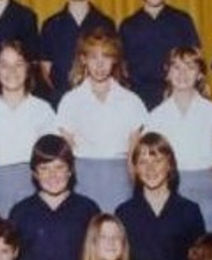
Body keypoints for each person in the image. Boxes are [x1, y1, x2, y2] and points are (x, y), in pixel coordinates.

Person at [55, 29, 147, 213]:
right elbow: (67, 151)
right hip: (83, 180)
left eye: (106, 57)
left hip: (120, 181)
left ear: (115, 60)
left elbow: (133, 153)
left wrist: (134, 187)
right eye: (93, 57)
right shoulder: (70, 100)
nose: (99, 64)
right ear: (83, 59)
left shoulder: (131, 101)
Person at [115, 132, 205, 260]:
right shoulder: (124, 212)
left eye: (157, 161)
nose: (150, 169)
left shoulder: (189, 211)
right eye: (143, 162)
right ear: (135, 170)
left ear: (170, 165)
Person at [0, 40, 56, 216]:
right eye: (4, 65)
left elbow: (50, 157)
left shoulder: (43, 109)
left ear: (28, 69)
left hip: (33, 185)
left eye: (19, 64)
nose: (12, 71)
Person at [145, 46, 212, 231]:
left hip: (207, 192)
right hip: (171, 189)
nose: (182, 73)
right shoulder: (156, 116)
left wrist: (204, 183)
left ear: (200, 74)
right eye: (176, 67)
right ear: (167, 73)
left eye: (190, 67)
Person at [9, 134, 101, 260]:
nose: (53, 175)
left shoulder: (88, 209)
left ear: (71, 170)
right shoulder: (20, 212)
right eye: (44, 168)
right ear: (35, 173)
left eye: (59, 167)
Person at [119, 0, 201, 111]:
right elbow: (121, 68)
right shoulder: (128, 25)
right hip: (139, 98)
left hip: (176, 94)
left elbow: (195, 58)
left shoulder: (182, 20)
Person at [39, 0, 117, 106]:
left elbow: (112, 64)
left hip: (97, 99)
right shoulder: (50, 25)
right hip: (60, 99)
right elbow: (46, 70)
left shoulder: (106, 23)